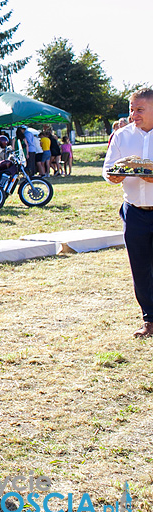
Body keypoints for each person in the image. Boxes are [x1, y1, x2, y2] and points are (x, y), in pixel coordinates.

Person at [104, 88, 153, 339]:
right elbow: (108, 168)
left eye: (140, 109)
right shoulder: (121, 136)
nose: (133, 114)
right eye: (132, 109)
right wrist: (114, 175)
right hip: (134, 212)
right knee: (140, 268)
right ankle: (150, 320)